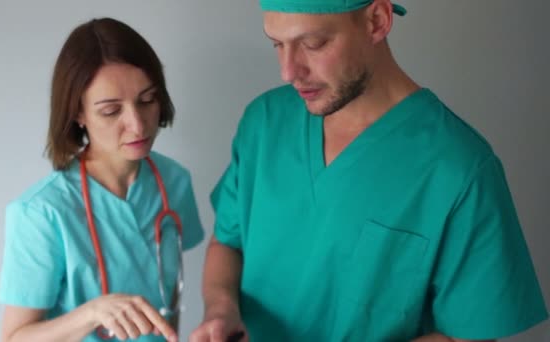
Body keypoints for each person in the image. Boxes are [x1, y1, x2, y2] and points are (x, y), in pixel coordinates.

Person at [190, 1, 548, 341]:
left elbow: (468, 336)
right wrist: (221, 310)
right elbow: (227, 241)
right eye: (277, 44)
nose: (288, 71)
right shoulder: (265, 123)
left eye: (313, 43)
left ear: (376, 20)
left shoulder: (460, 169)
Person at [0, 17, 204, 342]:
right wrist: (93, 312)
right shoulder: (40, 212)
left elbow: (170, 300)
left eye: (147, 100)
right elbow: (14, 338)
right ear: (78, 114)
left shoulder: (174, 181)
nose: (138, 125)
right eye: (111, 111)